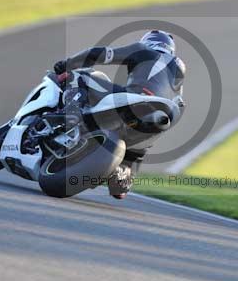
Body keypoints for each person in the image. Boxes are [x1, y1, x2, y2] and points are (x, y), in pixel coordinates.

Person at [54, 30, 186, 199]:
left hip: (139, 98)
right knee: (128, 172)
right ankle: (121, 175)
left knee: (79, 76)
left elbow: (100, 54)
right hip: (161, 119)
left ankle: (71, 115)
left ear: (150, 42)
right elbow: (179, 104)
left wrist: (68, 63)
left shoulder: (144, 50)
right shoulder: (179, 70)